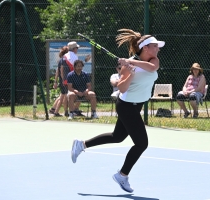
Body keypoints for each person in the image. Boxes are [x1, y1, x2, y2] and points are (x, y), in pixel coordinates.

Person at [70, 29, 165, 193]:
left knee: (118, 137)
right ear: (145, 48)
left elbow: (151, 68)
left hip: (137, 105)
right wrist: (130, 74)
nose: (158, 49)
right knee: (142, 143)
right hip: (126, 106)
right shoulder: (128, 68)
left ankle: (82, 144)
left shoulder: (153, 60)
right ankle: (122, 175)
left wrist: (131, 62)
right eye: (155, 46)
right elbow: (121, 87)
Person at [53, 45, 69, 117]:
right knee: (64, 96)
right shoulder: (63, 60)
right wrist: (63, 80)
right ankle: (65, 112)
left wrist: (56, 81)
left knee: (62, 96)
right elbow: (61, 70)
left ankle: (56, 112)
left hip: (62, 81)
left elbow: (57, 71)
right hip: (64, 81)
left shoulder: (61, 60)